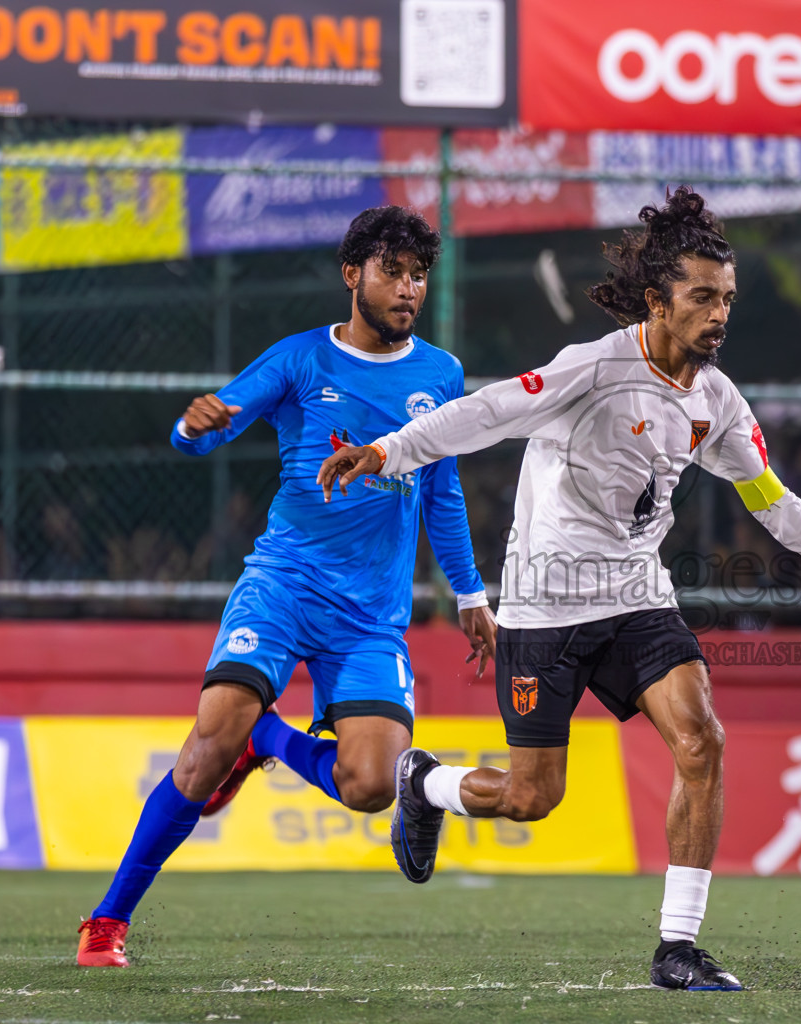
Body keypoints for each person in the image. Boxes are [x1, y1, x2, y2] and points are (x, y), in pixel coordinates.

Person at [316, 187, 801, 991]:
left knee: (702, 740)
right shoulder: (593, 367)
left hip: (639, 599)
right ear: (658, 300)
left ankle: (677, 949)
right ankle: (425, 783)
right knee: (532, 799)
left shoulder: (716, 399)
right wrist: (387, 451)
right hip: (544, 604)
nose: (720, 315)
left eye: (727, 299)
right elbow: (486, 413)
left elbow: (770, 500)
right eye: (702, 298)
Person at [76, 206, 497, 968]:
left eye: (418, 274)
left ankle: (264, 739)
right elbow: (213, 426)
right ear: (352, 275)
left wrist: (470, 594)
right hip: (283, 586)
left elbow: (443, 491)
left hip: (370, 619)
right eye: (392, 271)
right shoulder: (301, 359)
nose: (408, 288)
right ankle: (106, 922)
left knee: (372, 785)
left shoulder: (440, 375)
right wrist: (192, 427)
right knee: (206, 746)